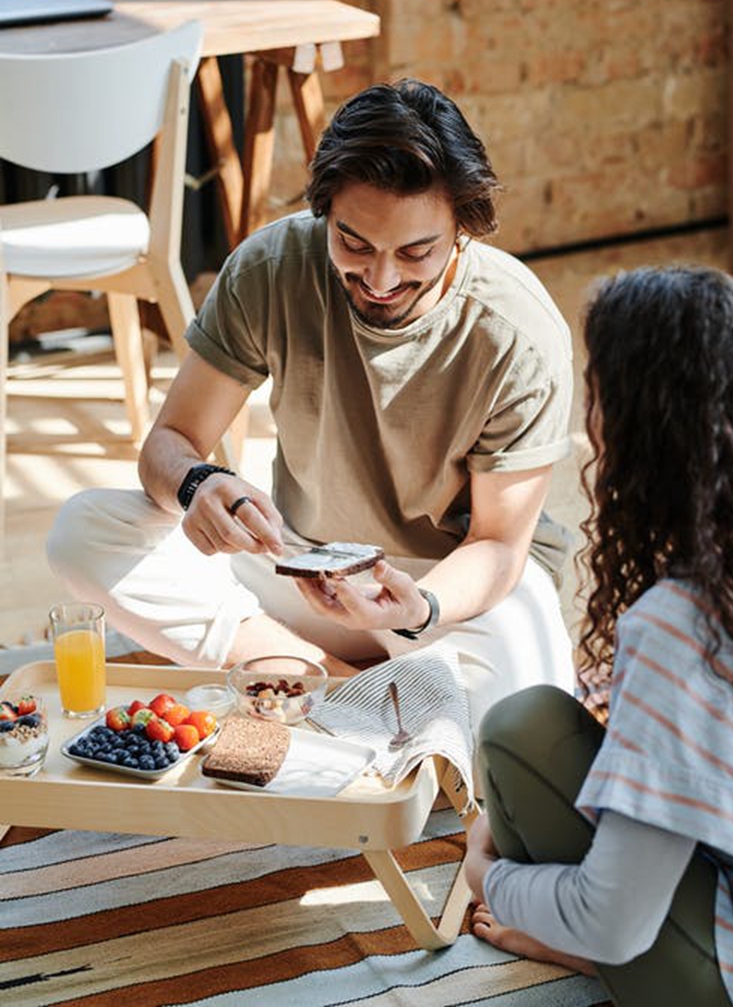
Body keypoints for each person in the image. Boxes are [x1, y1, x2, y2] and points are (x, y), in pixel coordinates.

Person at [47, 79, 575, 727]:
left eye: (416, 253)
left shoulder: (516, 330)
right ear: (323, 211)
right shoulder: (272, 266)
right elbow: (169, 442)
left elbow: (498, 547)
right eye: (354, 244)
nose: (381, 280)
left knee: (525, 665)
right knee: (85, 530)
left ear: (462, 230)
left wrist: (415, 608)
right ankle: (329, 682)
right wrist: (199, 484)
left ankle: (347, 697)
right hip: (303, 570)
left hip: (445, 592)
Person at [464, 266, 733, 1005]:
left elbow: (615, 918)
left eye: (596, 390)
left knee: (519, 728)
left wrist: (484, 873)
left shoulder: (681, 626)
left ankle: (575, 950)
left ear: (636, 422)